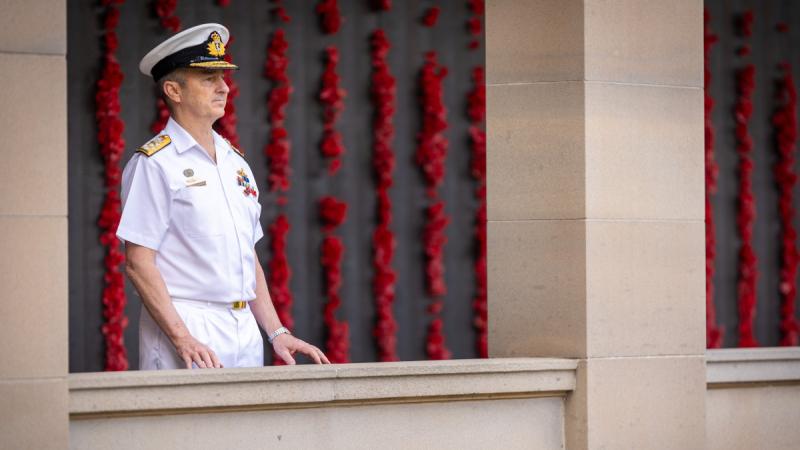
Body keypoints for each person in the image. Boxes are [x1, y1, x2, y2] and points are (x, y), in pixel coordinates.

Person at [117, 23, 329, 370]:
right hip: (188, 324)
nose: (223, 87)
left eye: (223, 77)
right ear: (173, 90)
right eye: (207, 79)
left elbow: (246, 255)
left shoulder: (235, 162)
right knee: (186, 426)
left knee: (247, 425)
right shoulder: (155, 164)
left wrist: (276, 332)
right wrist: (182, 337)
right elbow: (139, 262)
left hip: (243, 327)